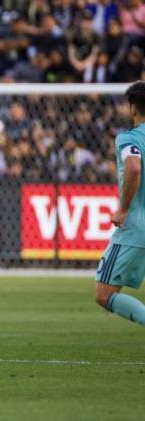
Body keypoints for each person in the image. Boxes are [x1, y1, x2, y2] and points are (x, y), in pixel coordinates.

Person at [94, 80, 145, 327]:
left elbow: (134, 167)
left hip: (136, 227)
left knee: (104, 295)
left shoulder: (129, 138)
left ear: (133, 108)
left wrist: (123, 209)